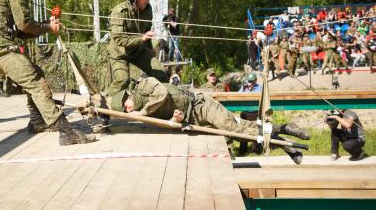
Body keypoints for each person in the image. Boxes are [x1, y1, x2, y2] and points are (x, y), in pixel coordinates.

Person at [0, 0, 96, 145]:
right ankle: (66, 132)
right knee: (37, 84)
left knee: (36, 74)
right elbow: (25, 24)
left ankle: (37, 122)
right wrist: (49, 26)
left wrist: (47, 26)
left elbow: (21, 31)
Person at [110, 77, 310, 164]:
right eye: (126, 111)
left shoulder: (146, 85)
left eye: (127, 105)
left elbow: (162, 93)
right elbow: (171, 115)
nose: (130, 109)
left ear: (129, 95)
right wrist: (176, 118)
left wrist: (141, 113)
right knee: (244, 127)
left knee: (235, 132)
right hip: (195, 118)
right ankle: (284, 131)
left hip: (202, 106)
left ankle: (285, 144)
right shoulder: (147, 113)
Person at [107, 0, 168, 96]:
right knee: (122, 80)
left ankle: (161, 102)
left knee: (161, 74)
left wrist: (150, 49)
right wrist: (142, 39)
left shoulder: (147, 9)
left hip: (138, 50)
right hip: (119, 53)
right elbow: (119, 39)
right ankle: (103, 107)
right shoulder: (119, 12)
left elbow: (147, 30)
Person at [237, 73, 262, 154]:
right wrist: (244, 89)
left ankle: (256, 149)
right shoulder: (244, 87)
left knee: (257, 130)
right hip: (245, 112)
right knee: (242, 130)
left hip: (256, 112)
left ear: (255, 81)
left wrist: (252, 90)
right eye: (249, 81)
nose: (250, 83)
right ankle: (243, 150)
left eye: (252, 82)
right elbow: (236, 96)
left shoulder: (260, 88)